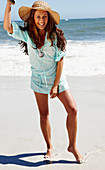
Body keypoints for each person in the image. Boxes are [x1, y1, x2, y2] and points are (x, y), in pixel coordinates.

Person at [4, 0, 84, 164]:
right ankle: (49, 147)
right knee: (44, 114)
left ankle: (73, 147)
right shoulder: (27, 34)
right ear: (33, 18)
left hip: (57, 79)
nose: (42, 20)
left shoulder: (55, 36)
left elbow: (60, 60)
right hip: (38, 79)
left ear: (49, 18)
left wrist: (55, 85)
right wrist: (8, 5)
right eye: (38, 17)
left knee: (73, 110)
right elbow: (7, 27)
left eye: (45, 17)